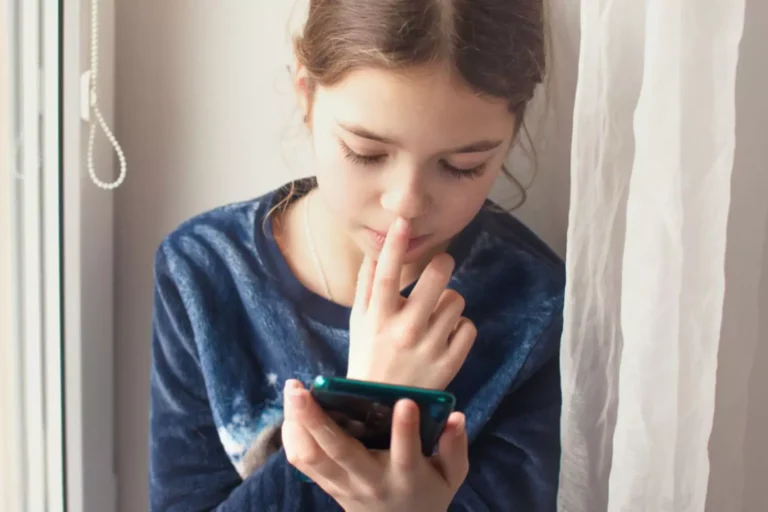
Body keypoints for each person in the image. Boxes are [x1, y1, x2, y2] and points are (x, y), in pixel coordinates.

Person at [149, 0, 564, 510]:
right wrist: (366, 403)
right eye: (367, 153)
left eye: (461, 166)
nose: (406, 204)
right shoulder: (205, 272)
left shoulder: (535, 306)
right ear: (306, 94)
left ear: (510, 138)